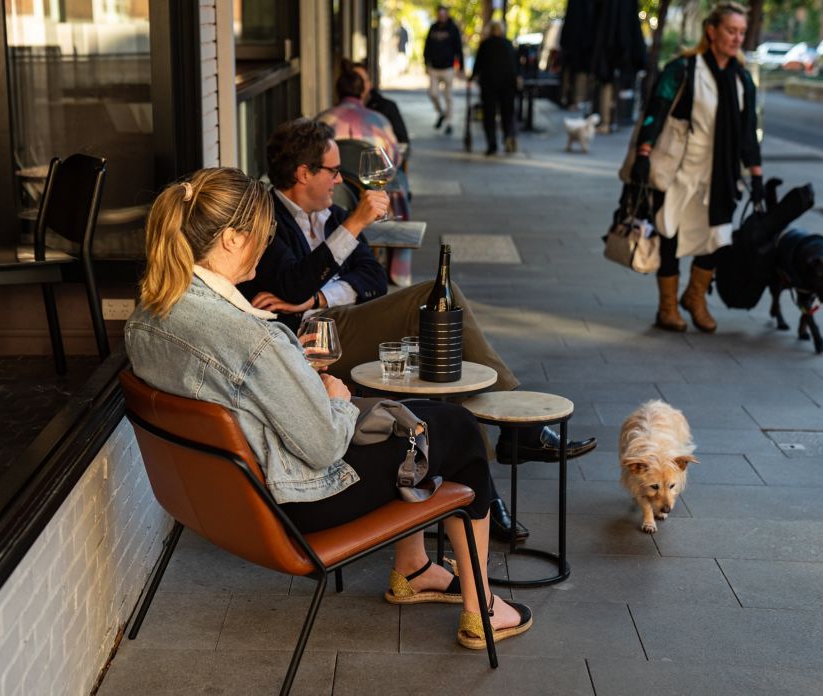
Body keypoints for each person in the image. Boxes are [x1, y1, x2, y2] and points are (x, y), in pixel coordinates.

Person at [125, 167, 532, 650]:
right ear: (232, 240)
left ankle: (415, 568)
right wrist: (335, 402)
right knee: (458, 429)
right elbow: (322, 446)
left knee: (405, 415)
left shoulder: (147, 316)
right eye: (262, 232)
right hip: (299, 504)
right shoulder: (251, 337)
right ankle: (482, 607)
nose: (266, 242)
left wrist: (299, 379)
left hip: (224, 504)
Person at [238, 118, 598, 540]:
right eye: (334, 170)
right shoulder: (271, 218)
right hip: (308, 342)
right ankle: (516, 437)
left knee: (443, 349)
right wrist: (352, 228)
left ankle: (483, 492)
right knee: (430, 296)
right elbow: (292, 283)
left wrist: (319, 296)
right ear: (303, 173)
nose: (341, 179)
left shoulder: (328, 214)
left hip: (329, 320)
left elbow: (372, 276)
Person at [630, 1, 762, 333]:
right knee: (670, 235)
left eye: (742, 32)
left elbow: (747, 133)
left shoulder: (742, 79)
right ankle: (667, 307)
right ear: (712, 31)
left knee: (716, 238)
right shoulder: (684, 69)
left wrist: (756, 175)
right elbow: (656, 109)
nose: (737, 38)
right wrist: (643, 154)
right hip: (679, 167)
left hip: (720, 173)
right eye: (731, 31)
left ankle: (695, 297)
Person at [318, 60, 412, 285]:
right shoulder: (379, 120)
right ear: (364, 91)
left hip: (333, 196)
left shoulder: (323, 120)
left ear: (336, 91)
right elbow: (394, 160)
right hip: (376, 198)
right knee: (400, 185)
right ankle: (397, 273)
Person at [472, 20, 519, 155]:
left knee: (489, 114)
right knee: (507, 113)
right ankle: (506, 138)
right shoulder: (508, 44)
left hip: (489, 84)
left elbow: (478, 65)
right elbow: (515, 66)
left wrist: (472, 77)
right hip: (507, 84)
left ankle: (492, 143)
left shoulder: (485, 45)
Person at [424, 5, 464, 135]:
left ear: (446, 15)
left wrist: (461, 67)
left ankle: (449, 123)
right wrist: (426, 63)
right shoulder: (433, 27)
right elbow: (427, 46)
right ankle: (441, 113)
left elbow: (459, 48)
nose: (441, 17)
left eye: (443, 15)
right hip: (434, 68)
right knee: (433, 93)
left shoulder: (453, 28)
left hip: (448, 68)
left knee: (448, 97)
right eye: (439, 15)